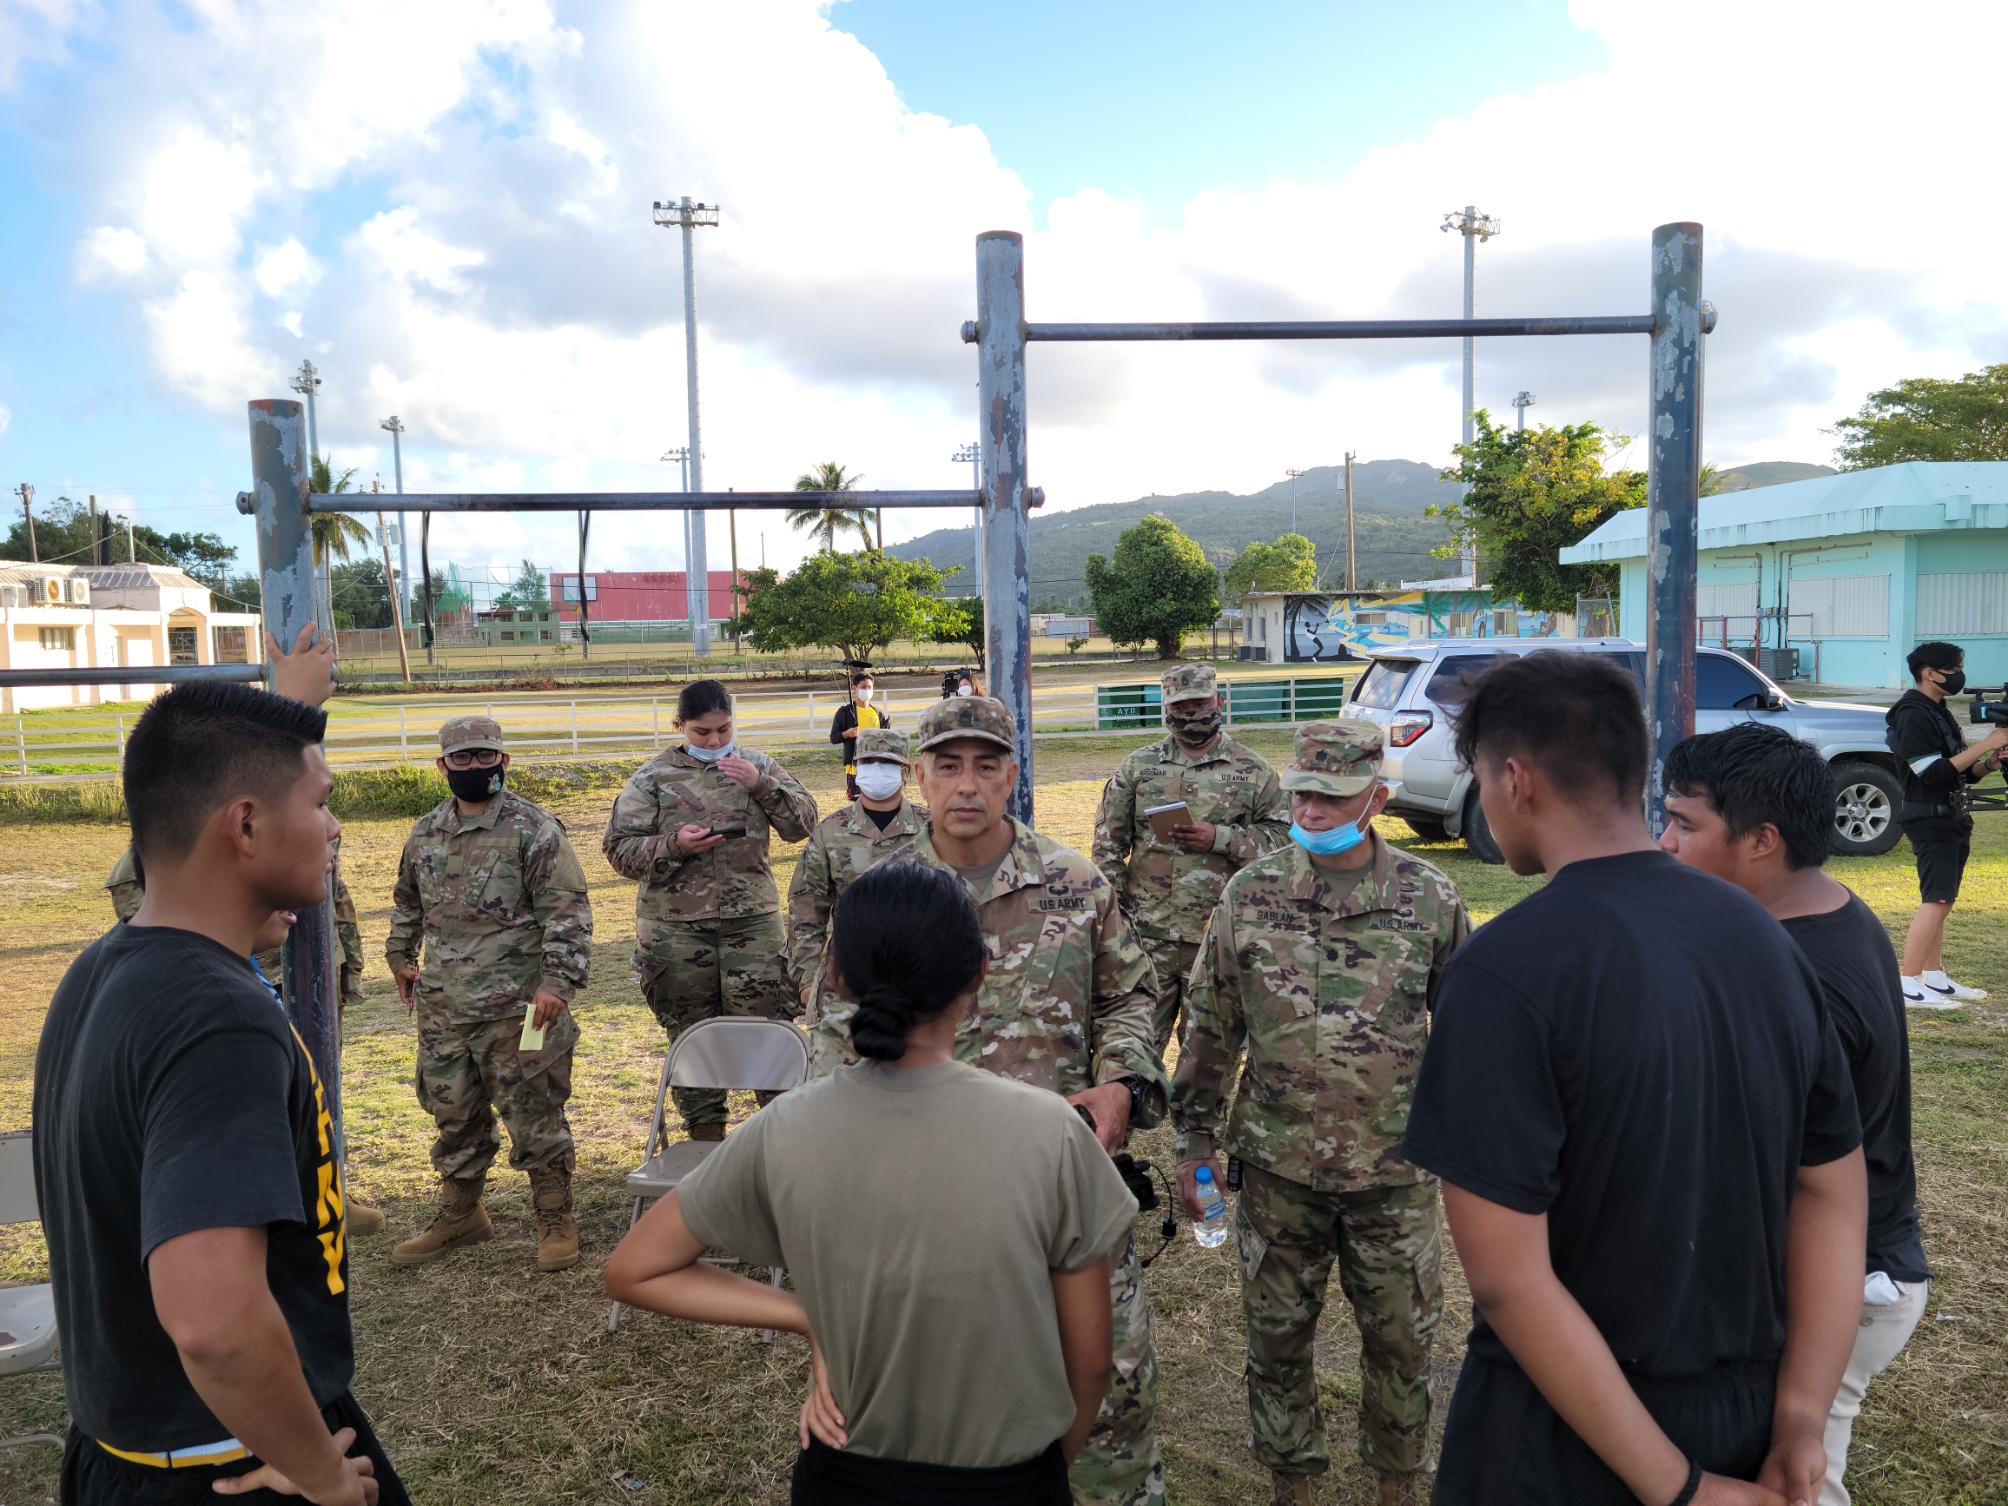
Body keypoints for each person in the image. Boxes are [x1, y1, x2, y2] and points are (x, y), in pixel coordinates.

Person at [1399, 651, 1867, 1506]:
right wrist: (1801, 1416)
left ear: (1514, 778)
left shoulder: (1506, 969)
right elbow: (1834, 1188)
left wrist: (1680, 1490)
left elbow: (1509, 1279)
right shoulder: (1764, 935)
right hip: (1748, 1414)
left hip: (1567, 1430)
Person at [607, 861, 1138, 1506]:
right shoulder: (1052, 1133)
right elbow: (1089, 1361)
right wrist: (1048, 1467)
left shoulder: (784, 1127)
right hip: (1010, 1479)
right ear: (977, 974)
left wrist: (808, 1318)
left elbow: (633, 1270)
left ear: (834, 976)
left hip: (842, 1476)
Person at [34, 677, 406, 1506]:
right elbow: (214, 1323)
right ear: (244, 824)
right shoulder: (218, 1017)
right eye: (320, 802)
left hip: (123, 1448)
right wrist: (318, 1473)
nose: (335, 826)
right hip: (232, 1460)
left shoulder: (104, 968)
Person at [811, 694, 1167, 1506]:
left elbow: (1131, 997)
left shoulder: (1075, 883)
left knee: (1110, 1385)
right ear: (919, 778)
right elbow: (836, 1023)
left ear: (1011, 775)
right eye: (946, 766)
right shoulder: (882, 896)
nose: (965, 786)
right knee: (938, 1394)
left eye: (984, 766)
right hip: (924, 1200)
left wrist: (1121, 1083)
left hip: (1062, 1183)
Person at [1170, 720, 1468, 1506]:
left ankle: (1395, 1488)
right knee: (1276, 1342)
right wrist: (1192, 1146)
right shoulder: (1251, 892)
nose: (1314, 808)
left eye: (1333, 795)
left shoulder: (1429, 896)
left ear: (1377, 795)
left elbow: (1471, 1036)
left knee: (1402, 1344)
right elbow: (1211, 1026)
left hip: (1394, 1171)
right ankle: (1290, 1486)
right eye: (1303, 791)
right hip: (1278, 1170)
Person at [1659, 722, 1930, 1506]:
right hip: (1853, 1261)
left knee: (1789, 1480)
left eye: (1684, 822)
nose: (1665, 842)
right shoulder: (1829, 910)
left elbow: (1767, 1175)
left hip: (1835, 1285)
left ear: (1761, 841)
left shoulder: (1792, 977)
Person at [384, 715, 594, 1272]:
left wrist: (557, 984)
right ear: (443, 766)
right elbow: (407, 903)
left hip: (520, 1007)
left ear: (503, 761)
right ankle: (462, 1213)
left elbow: (567, 912)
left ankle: (554, 1216)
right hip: (444, 1005)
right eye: (463, 759)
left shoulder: (534, 828)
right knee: (452, 1111)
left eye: (485, 757)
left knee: (534, 1110)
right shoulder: (426, 830)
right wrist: (400, 960)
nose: (476, 767)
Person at [603, 678, 819, 1140]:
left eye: (723, 729)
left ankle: (776, 1140)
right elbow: (619, 851)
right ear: (680, 725)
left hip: (751, 925)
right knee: (691, 1035)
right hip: (675, 930)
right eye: (702, 732)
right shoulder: (652, 778)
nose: (715, 741)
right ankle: (704, 1138)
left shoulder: (758, 765)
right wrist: (674, 845)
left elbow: (803, 824)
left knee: (767, 1031)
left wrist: (762, 786)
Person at [1093, 662, 1290, 1053]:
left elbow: (1284, 842)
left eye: (1199, 704)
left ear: (1219, 701)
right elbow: (1108, 847)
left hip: (1220, 936)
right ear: (1166, 710)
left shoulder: (1254, 770)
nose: (1191, 714)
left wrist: (1222, 838)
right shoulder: (1138, 768)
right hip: (1147, 938)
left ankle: (1198, 1118)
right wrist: (1115, 923)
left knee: (1207, 1059)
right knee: (1130, 1050)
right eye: (1181, 707)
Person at [787, 727, 927, 1050]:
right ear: (856, 768)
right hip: (844, 985)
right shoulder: (830, 832)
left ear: (905, 772)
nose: (877, 770)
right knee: (836, 1086)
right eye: (868, 761)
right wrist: (808, 980)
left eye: (886, 762)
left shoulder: (930, 829)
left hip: (918, 980)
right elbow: (806, 910)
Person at [1885, 641, 2006, 1005]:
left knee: (1943, 900)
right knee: (1934, 901)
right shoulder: (1912, 714)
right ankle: (1908, 984)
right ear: (1929, 672)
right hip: (1929, 818)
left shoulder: (1936, 709)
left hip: (1951, 816)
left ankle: (1934, 978)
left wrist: (1988, 764)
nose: (1959, 675)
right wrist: (1987, 743)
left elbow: (1960, 769)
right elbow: (1931, 772)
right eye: (1954, 669)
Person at [107, 839, 367, 1003]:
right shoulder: (154, 861)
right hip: (238, 982)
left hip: (318, 971)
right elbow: (162, 947)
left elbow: (338, 897)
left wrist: (351, 973)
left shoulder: (312, 826)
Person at [828, 664, 890, 801]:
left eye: (870, 688)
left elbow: (888, 740)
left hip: (877, 767)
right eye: (863, 687)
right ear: (854, 689)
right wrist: (847, 734)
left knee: (877, 802)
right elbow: (833, 738)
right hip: (855, 768)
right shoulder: (844, 713)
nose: (867, 691)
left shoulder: (881, 715)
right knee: (858, 805)